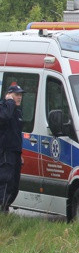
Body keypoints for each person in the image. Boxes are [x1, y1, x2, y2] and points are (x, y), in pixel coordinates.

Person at [0, 83, 24, 211]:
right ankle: (2, 210)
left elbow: (17, 134)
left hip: (15, 152)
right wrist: (9, 101)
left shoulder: (17, 112)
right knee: (6, 181)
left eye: (20, 95)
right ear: (9, 95)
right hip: (5, 151)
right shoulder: (4, 108)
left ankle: (5, 208)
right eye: (16, 94)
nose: (19, 97)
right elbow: (4, 117)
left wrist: (20, 154)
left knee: (15, 185)